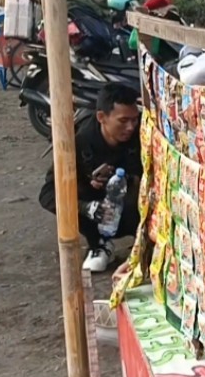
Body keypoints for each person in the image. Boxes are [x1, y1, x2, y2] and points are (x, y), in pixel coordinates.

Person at [39, 82, 142, 273]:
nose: (130, 127)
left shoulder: (143, 131)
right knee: (67, 195)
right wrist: (85, 208)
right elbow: (47, 193)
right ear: (102, 117)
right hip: (98, 212)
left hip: (133, 208)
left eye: (134, 120)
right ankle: (99, 244)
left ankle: (145, 243)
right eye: (123, 121)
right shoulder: (79, 143)